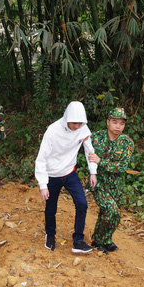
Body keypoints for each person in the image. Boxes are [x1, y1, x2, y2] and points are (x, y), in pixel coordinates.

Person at [35, 101, 98, 254]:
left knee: (82, 204)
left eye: (80, 123)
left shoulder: (83, 128)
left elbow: (90, 151)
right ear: (67, 118)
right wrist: (43, 185)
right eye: (74, 123)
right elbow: (41, 159)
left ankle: (78, 241)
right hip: (52, 175)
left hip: (70, 172)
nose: (77, 126)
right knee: (51, 207)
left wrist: (93, 171)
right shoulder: (52, 131)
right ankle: (50, 235)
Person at [87, 108, 134, 254]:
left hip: (116, 186)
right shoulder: (95, 137)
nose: (118, 126)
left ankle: (106, 240)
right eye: (114, 122)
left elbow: (121, 167)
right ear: (108, 122)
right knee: (110, 210)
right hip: (99, 183)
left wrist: (100, 161)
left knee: (112, 215)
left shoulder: (127, 143)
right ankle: (97, 240)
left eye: (121, 123)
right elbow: (87, 154)